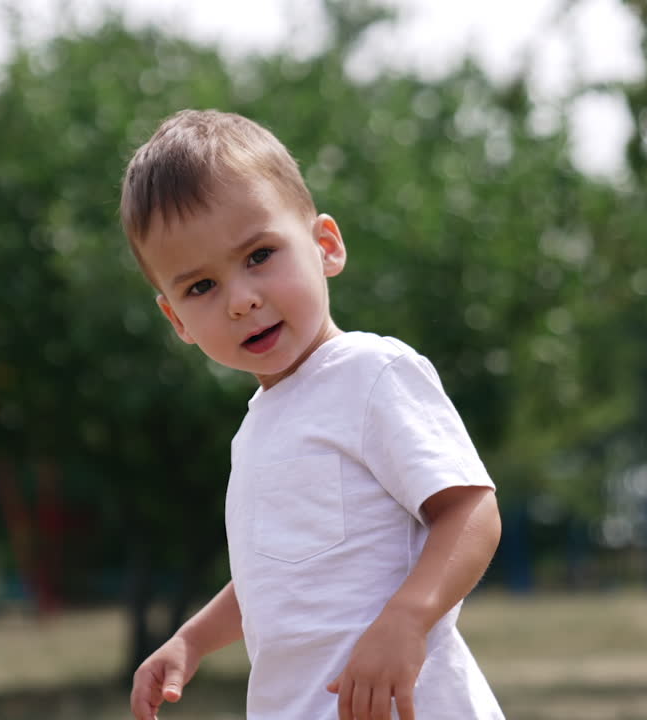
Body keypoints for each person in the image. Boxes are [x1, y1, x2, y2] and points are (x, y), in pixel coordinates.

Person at [122, 109, 504, 720]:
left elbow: (470, 510)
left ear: (324, 245)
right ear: (176, 321)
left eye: (259, 255)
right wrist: (191, 640)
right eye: (201, 288)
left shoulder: (370, 373)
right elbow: (280, 579)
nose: (242, 300)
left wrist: (407, 619)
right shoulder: (255, 430)